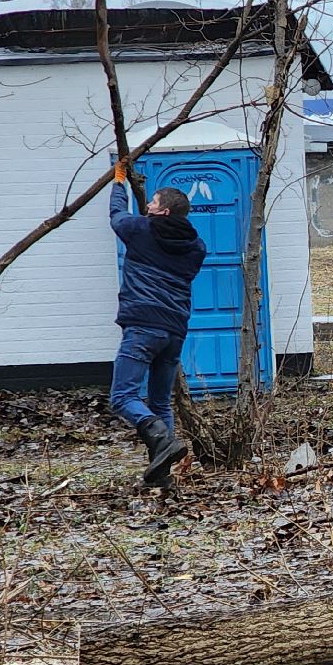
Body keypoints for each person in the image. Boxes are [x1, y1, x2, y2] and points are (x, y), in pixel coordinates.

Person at [107, 158, 207, 488]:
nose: (147, 205)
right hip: (175, 331)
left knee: (122, 397)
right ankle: (161, 474)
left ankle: (160, 437)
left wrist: (119, 183)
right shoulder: (196, 246)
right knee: (161, 401)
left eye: (152, 202)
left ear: (163, 211)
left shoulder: (140, 230)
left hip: (142, 327)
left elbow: (117, 216)